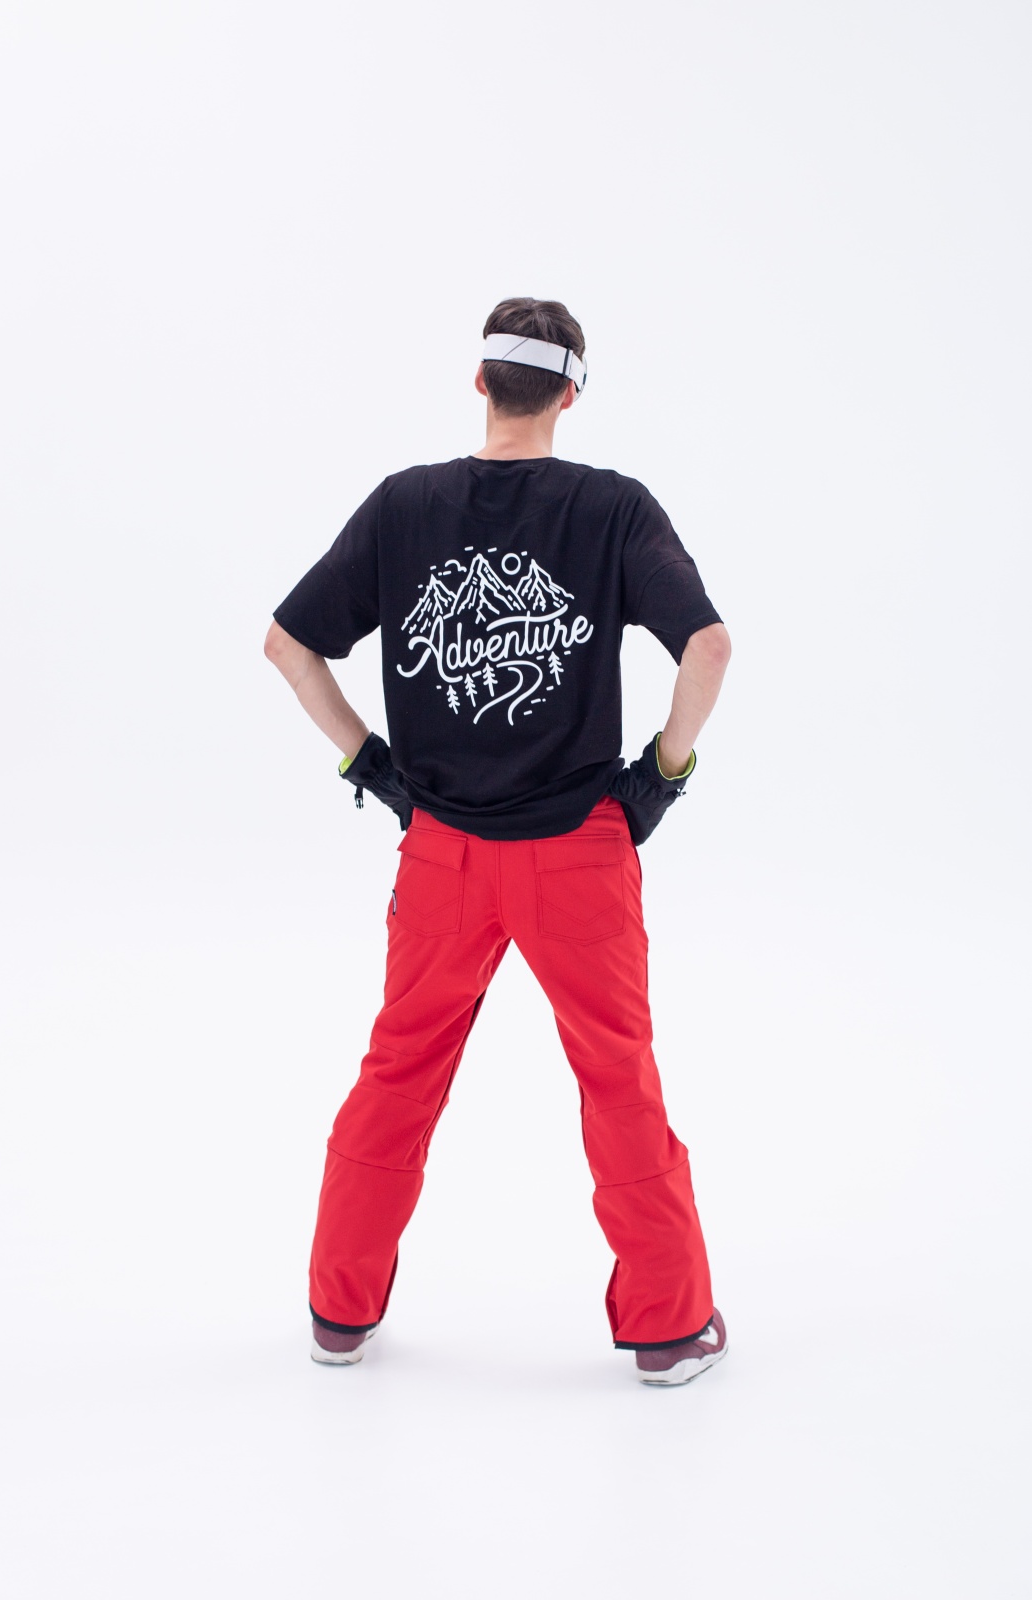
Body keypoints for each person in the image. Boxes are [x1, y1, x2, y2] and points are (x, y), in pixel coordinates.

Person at [264, 297, 732, 1386]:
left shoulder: (404, 505)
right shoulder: (612, 508)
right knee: (617, 1080)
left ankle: (338, 1314)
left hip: (442, 855)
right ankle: (668, 1331)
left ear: (480, 383)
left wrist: (370, 765)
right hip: (580, 854)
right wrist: (660, 776)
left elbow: (287, 644)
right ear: (569, 395)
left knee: (397, 1073)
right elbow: (706, 647)